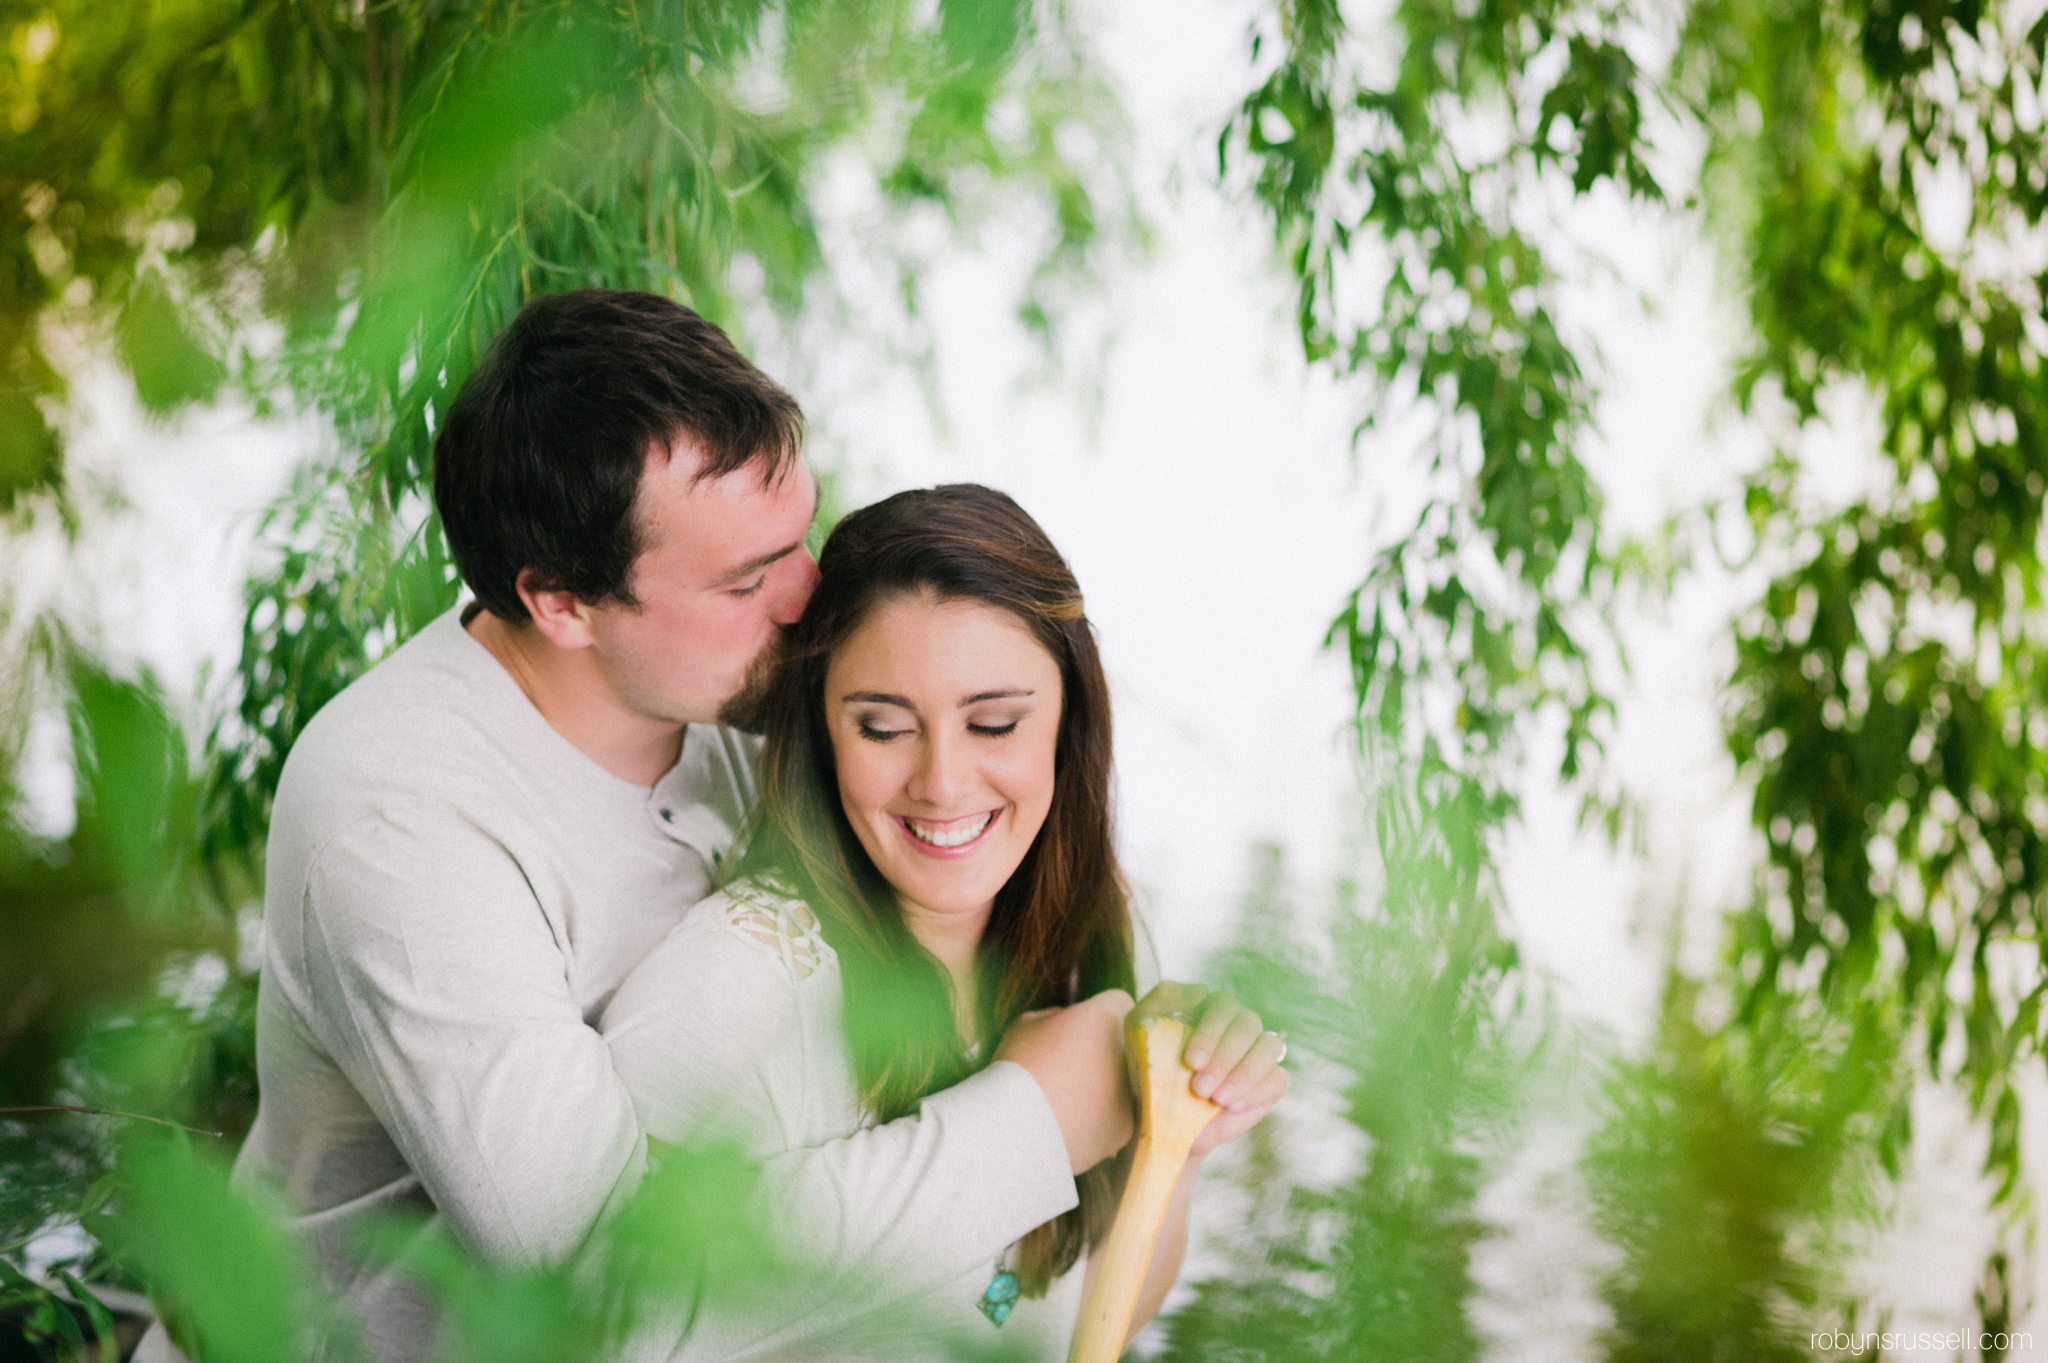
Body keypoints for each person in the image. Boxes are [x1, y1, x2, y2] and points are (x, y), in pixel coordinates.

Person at [134, 291, 1144, 1363]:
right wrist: (1028, 1125)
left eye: (796, 537)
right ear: (562, 603)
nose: (809, 599)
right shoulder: (397, 820)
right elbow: (612, 1282)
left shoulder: (726, 699)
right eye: (747, 578)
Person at [602, 484, 1290, 1359]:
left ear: (1068, 722)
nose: (944, 782)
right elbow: (609, 1326)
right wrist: (1025, 1121)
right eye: (884, 728)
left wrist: (1175, 1135)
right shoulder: (730, 985)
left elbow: (1093, 1319)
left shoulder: (1092, 938)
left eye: (994, 722)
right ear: (821, 733)